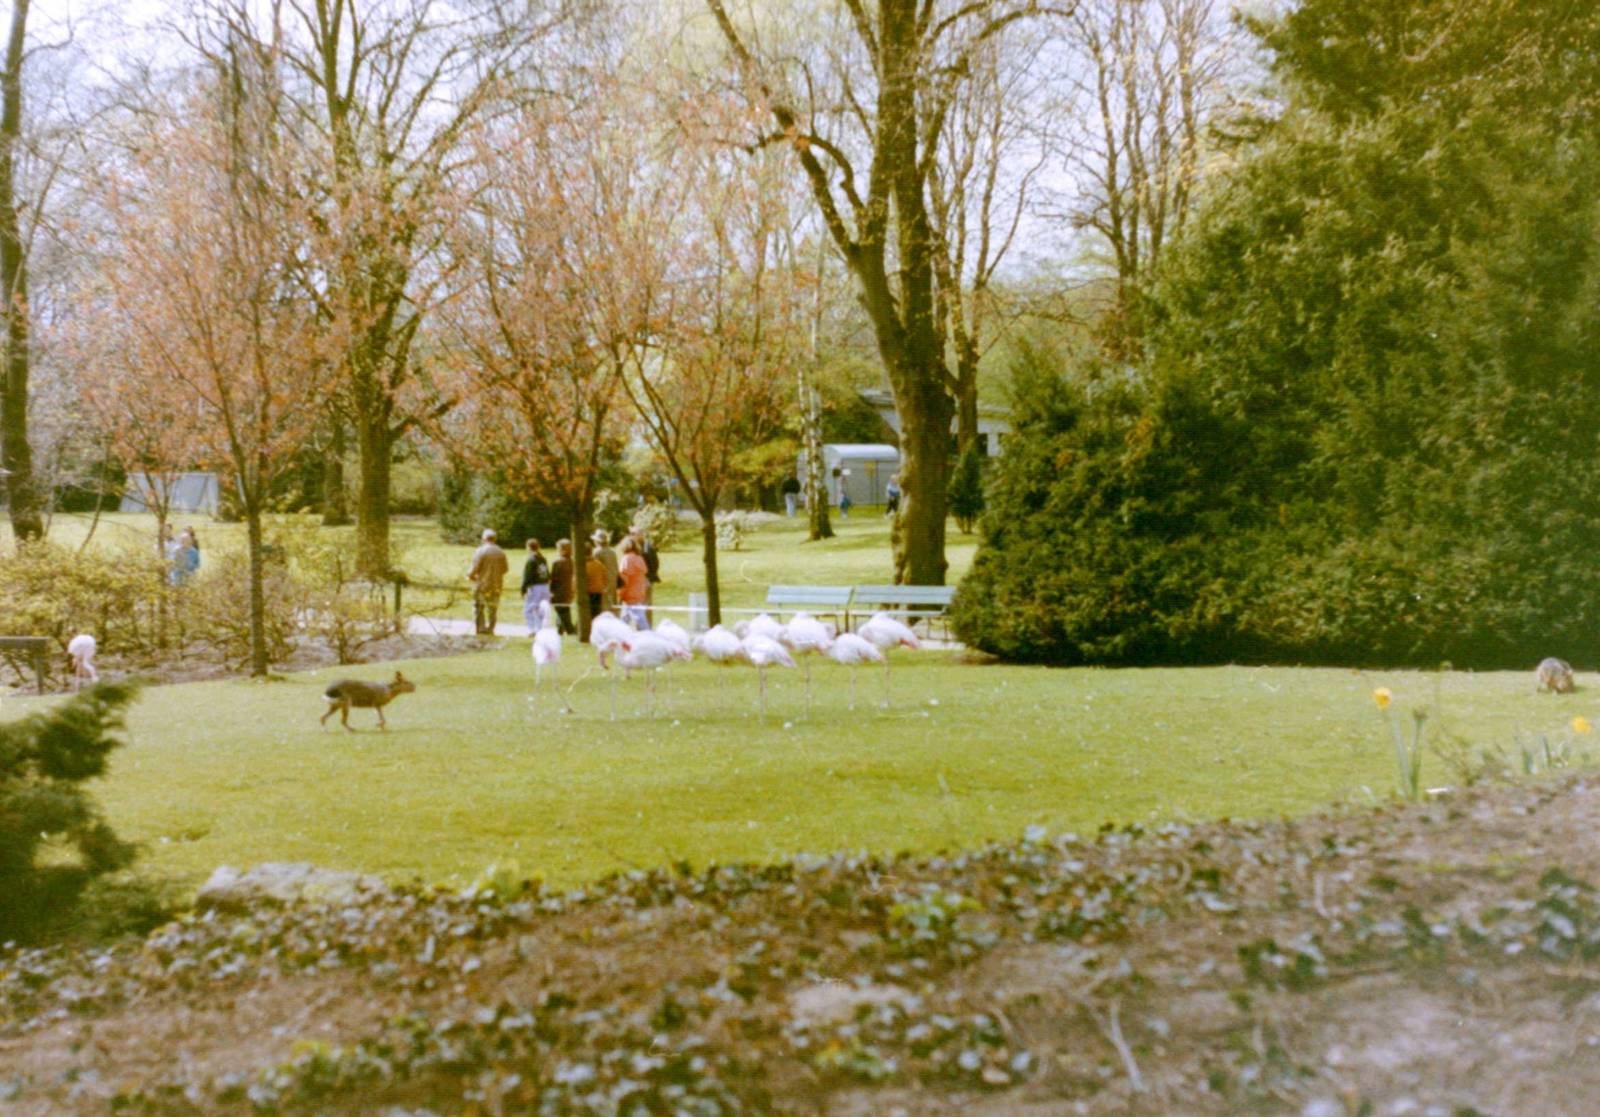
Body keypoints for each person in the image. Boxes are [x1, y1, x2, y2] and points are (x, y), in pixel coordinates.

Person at [467, 528, 510, 635]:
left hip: (482, 584)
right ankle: (491, 628)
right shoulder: (501, 551)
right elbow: (505, 569)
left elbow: (475, 567)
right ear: (495, 538)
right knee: (493, 608)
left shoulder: (480, 551)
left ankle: (481, 628)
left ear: (484, 538)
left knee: (479, 607)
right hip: (496, 584)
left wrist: (470, 576)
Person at [628, 525, 660, 625]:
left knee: (645, 606)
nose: (631, 536)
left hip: (645, 580)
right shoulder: (637, 547)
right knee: (641, 606)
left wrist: (649, 577)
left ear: (640, 535)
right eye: (631, 534)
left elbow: (654, 563)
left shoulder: (646, 548)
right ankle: (642, 628)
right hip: (640, 581)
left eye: (634, 534)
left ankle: (645, 628)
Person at [618, 536, 651, 630]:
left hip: (630, 594)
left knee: (640, 620)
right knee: (625, 618)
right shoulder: (639, 558)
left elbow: (624, 579)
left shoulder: (626, 559)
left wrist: (620, 594)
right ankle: (620, 636)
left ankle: (650, 636)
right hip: (640, 592)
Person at [519, 538, 551, 633]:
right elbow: (548, 574)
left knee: (529, 608)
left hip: (535, 586)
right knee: (540, 608)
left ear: (528, 547)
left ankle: (531, 629)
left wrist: (523, 589)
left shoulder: (531, 560)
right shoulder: (542, 558)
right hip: (545, 586)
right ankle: (540, 628)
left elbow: (527, 576)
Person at [549, 538, 577, 635]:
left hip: (559, 591)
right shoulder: (572, 562)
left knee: (562, 611)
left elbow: (553, 578)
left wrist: (550, 590)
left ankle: (570, 630)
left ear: (563, 550)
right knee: (564, 609)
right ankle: (559, 630)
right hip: (568, 590)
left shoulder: (557, 563)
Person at [591, 529, 620, 617]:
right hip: (613, 581)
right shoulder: (612, 552)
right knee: (612, 603)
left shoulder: (597, 552)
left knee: (603, 605)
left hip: (603, 581)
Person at [583, 546, 608, 641]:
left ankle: (591, 633)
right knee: (597, 613)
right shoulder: (598, 564)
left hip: (588, 592)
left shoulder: (584, 566)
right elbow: (605, 576)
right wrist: (603, 586)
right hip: (598, 591)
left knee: (588, 614)